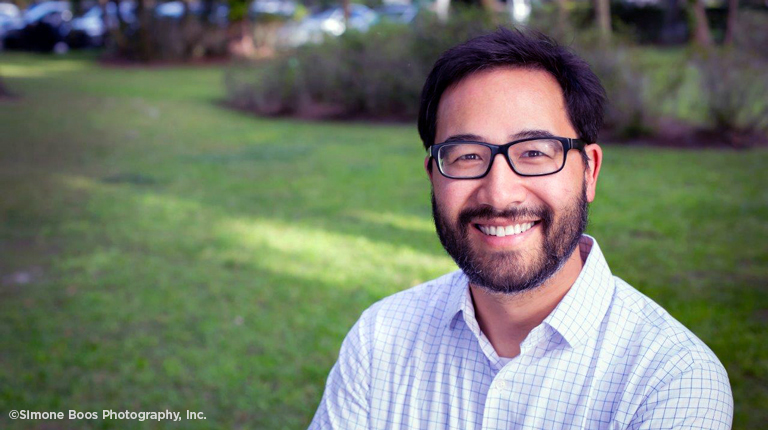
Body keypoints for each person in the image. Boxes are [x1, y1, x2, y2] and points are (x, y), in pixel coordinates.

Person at [309, 28, 733, 429]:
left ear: (590, 172)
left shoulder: (672, 381)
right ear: (433, 176)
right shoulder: (379, 337)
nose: (499, 194)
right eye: (467, 156)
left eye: (533, 152)